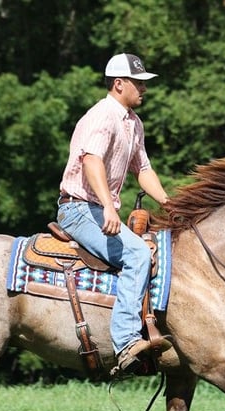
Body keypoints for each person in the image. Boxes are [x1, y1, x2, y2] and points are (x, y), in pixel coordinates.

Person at [57, 53, 170, 375]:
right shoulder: (103, 115)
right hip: (79, 209)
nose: (144, 89)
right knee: (136, 253)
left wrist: (169, 204)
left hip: (97, 206)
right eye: (139, 83)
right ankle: (125, 342)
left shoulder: (133, 123)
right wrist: (108, 206)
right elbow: (91, 160)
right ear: (119, 84)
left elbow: (143, 170)